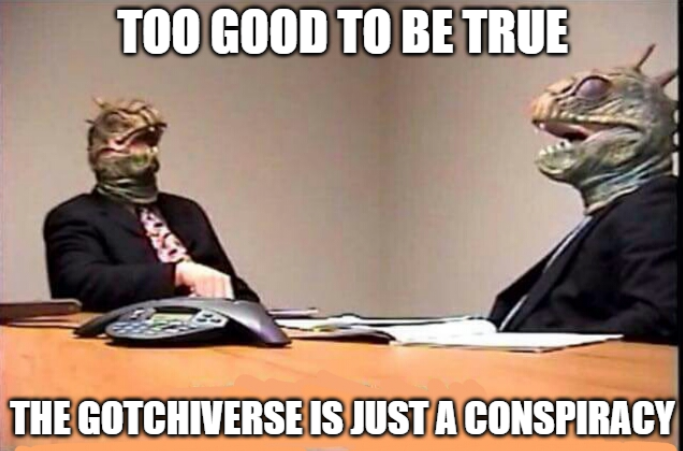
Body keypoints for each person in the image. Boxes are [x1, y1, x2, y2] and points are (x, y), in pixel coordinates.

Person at [488, 45, 678, 345]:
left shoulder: (656, 206)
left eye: (592, 92)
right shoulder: (616, 211)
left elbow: (662, 316)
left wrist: (559, 345)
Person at [44, 98, 260, 312]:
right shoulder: (75, 216)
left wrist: (257, 316)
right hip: (131, 330)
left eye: (150, 142)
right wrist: (176, 274)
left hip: (209, 326)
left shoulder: (186, 212)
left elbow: (226, 283)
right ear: (102, 150)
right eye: (139, 141)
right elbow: (78, 284)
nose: (150, 152)